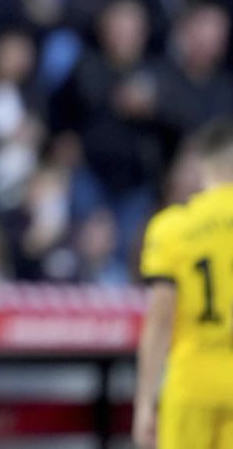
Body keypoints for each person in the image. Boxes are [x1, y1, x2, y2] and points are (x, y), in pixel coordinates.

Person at [133, 118, 233, 448]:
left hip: (193, 376)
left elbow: (161, 318)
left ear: (202, 165)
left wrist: (146, 401)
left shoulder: (172, 227)